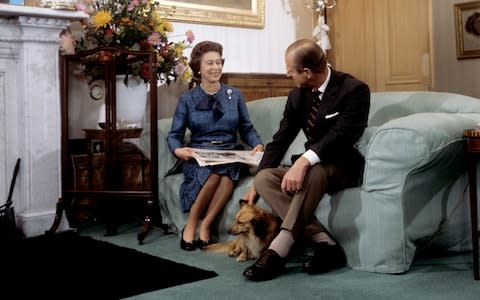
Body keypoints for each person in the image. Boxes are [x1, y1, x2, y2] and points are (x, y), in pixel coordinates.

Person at [241, 38, 370, 281]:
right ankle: (324, 243)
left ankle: (279, 250)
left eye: (290, 70)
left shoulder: (354, 89)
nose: (287, 74)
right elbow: (281, 138)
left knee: (313, 170)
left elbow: (342, 135)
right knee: (265, 177)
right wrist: (256, 181)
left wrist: (303, 162)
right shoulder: (297, 96)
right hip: (314, 167)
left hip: (344, 165)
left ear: (307, 72)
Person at [167, 40, 264, 251]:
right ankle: (191, 225)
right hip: (199, 154)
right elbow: (174, 135)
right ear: (198, 68)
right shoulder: (187, 99)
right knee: (216, 173)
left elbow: (247, 128)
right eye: (210, 63)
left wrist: (257, 144)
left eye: (219, 62)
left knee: (226, 171)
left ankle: (206, 225)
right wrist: (178, 150)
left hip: (230, 151)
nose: (216, 67)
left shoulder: (234, 95)